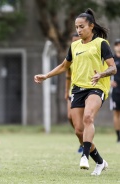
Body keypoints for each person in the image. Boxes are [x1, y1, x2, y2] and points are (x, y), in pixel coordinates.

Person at [34, 8, 116, 176]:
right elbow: (65, 66)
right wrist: (46, 75)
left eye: (81, 27)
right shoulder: (74, 46)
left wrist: (102, 73)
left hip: (96, 86)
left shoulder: (101, 43)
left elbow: (113, 67)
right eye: (76, 27)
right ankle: (100, 162)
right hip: (77, 89)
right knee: (79, 130)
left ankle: (85, 156)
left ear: (91, 26)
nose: (78, 30)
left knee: (88, 117)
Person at [65, 33, 83, 153]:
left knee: (82, 120)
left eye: (77, 41)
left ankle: (84, 143)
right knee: (70, 117)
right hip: (72, 91)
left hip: (84, 91)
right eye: (73, 41)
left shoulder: (85, 55)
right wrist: (66, 91)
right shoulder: (72, 55)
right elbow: (68, 75)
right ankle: (82, 139)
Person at [110, 38, 120, 143]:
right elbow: (103, 71)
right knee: (116, 113)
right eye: (117, 44)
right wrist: (108, 81)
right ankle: (118, 136)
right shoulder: (111, 59)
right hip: (116, 90)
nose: (119, 46)